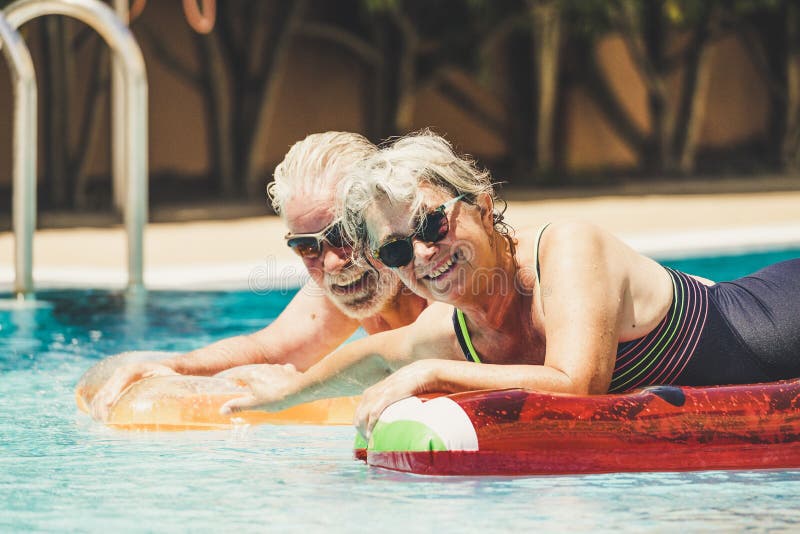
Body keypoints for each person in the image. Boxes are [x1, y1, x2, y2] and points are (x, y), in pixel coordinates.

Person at [222, 130, 800, 440]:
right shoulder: (455, 330)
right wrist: (281, 397)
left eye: (432, 223)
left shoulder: (567, 250)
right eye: (397, 250)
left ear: (480, 200)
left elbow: (578, 386)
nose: (423, 254)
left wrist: (430, 374)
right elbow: (370, 359)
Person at [90, 132, 428, 420]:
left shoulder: (438, 276)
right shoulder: (354, 280)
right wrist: (176, 367)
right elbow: (268, 349)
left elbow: (409, 352)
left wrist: (301, 389)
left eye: (343, 233)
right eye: (306, 246)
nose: (331, 264)